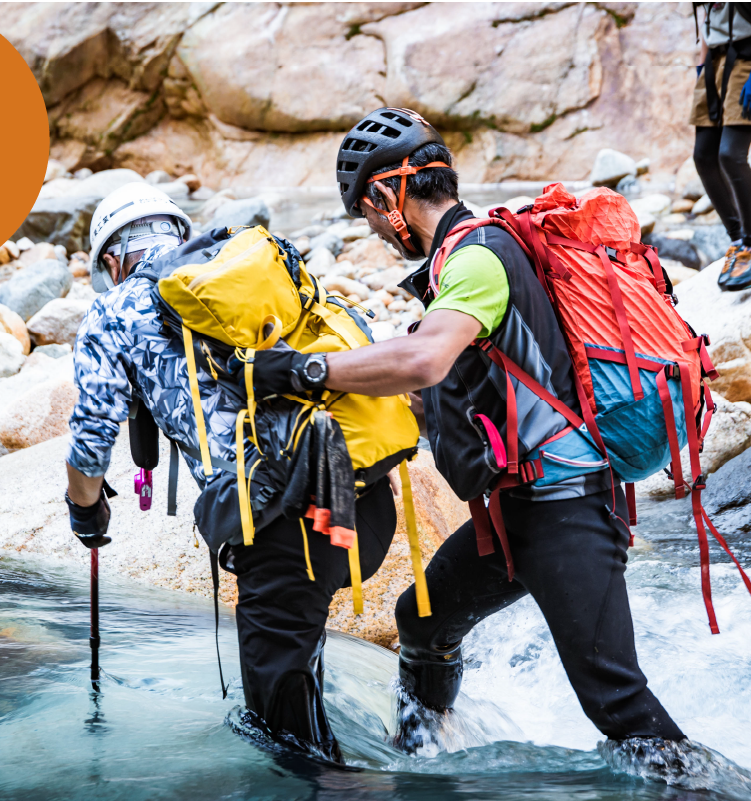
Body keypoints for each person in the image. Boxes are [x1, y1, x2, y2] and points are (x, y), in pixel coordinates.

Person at [248, 108, 687, 763]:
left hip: (566, 509)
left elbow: (424, 360)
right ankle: (424, 758)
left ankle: (711, 787)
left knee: (618, 703)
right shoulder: (473, 252)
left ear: (385, 196)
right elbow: (456, 378)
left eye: (366, 214)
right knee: (422, 621)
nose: (372, 229)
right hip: (516, 515)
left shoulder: (476, 258)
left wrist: (302, 369)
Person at [63, 181, 397, 765]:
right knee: (297, 683)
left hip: (285, 523)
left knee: (285, 742)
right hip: (363, 502)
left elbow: (91, 442)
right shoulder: (244, 266)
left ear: (112, 261)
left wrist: (85, 510)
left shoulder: (113, 311)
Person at [690, 2, 751, 291]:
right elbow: (709, 18)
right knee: (703, 157)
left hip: (749, 62)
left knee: (731, 155)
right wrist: (701, 67)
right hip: (714, 65)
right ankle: (738, 241)